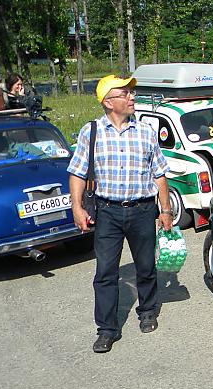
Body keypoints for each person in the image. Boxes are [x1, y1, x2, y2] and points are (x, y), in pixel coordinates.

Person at [67, 75, 173, 353]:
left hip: (142, 210)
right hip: (108, 213)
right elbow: (77, 172)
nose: (132, 97)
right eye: (124, 93)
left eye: (131, 93)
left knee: (146, 266)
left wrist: (165, 210)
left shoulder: (146, 131)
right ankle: (107, 329)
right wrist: (76, 207)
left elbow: (159, 174)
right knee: (105, 273)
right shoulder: (90, 132)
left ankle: (147, 310)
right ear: (108, 102)